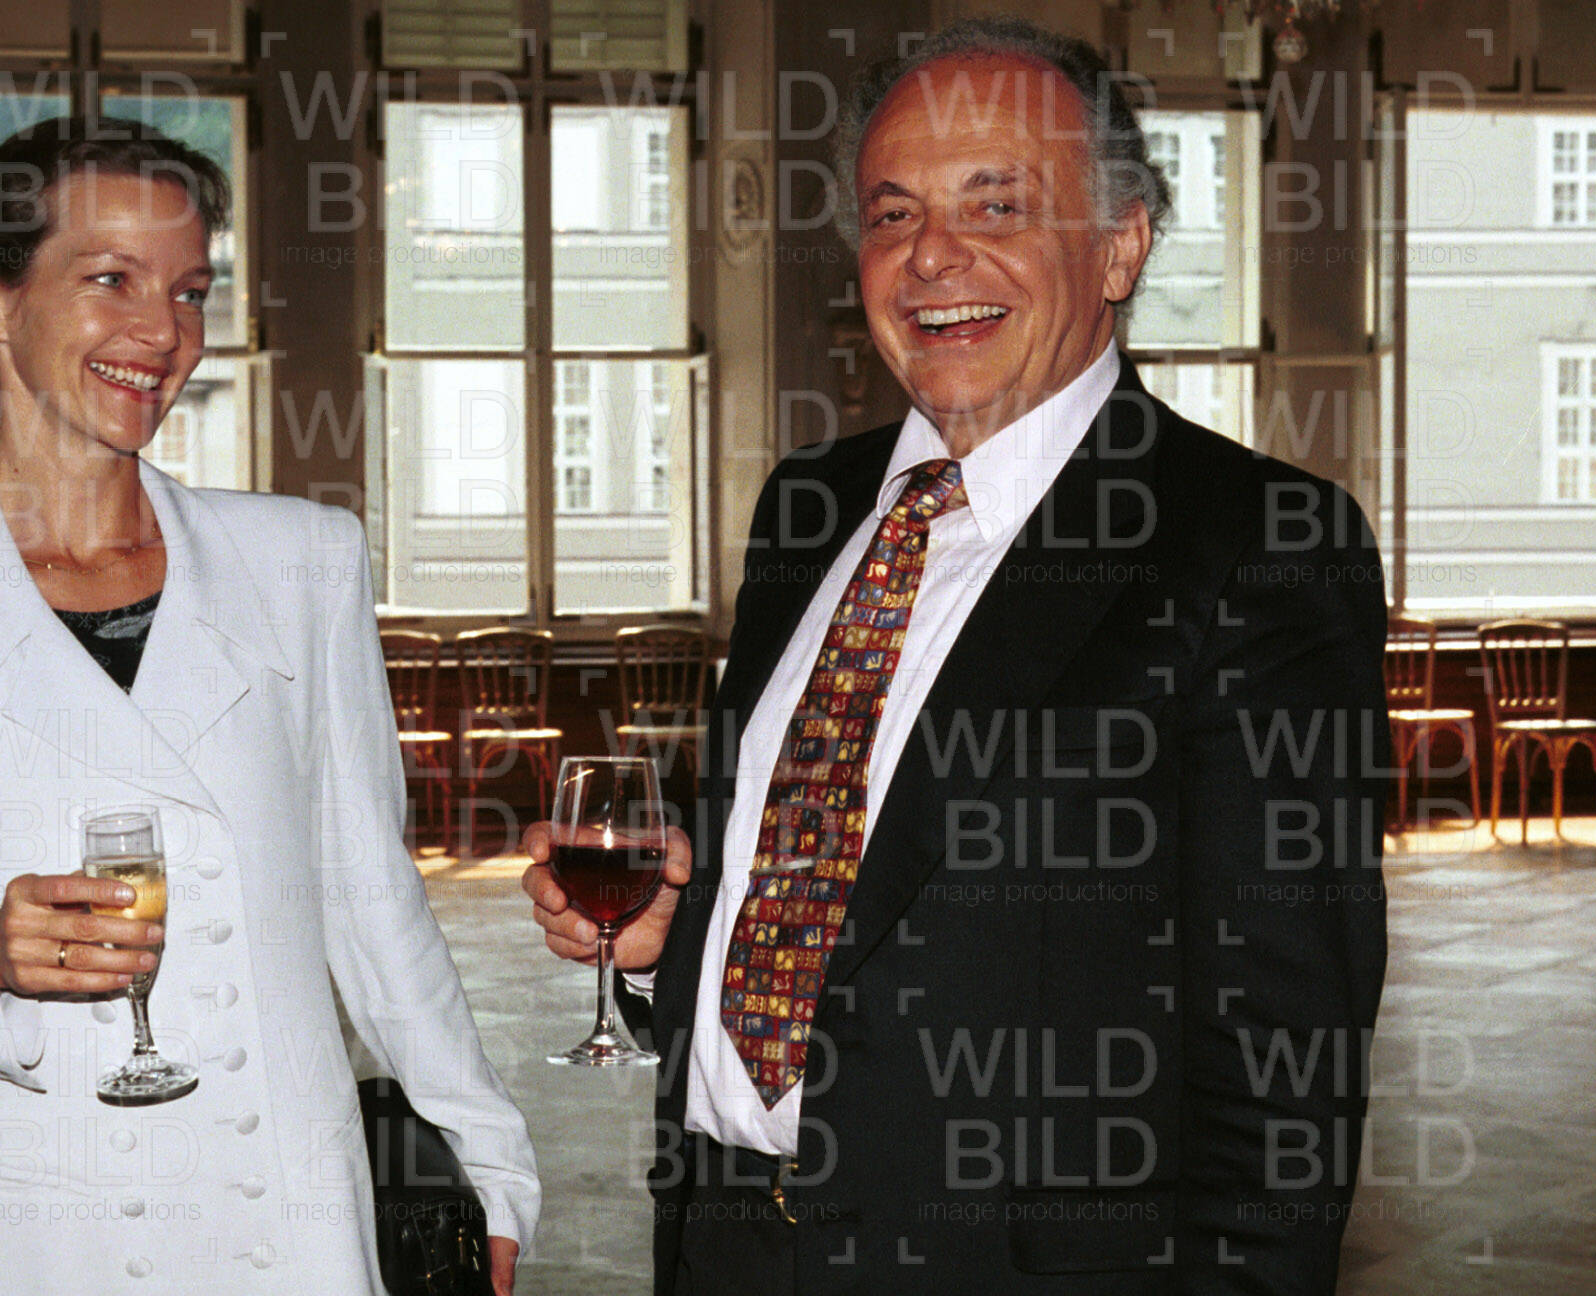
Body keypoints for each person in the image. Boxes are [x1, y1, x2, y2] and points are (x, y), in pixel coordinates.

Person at [523, 17, 1387, 1295]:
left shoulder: (1253, 543)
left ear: (1120, 244)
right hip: (726, 1246)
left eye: (996, 204)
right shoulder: (806, 510)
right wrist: (676, 941)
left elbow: (1280, 1069)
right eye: (892, 214)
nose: (931, 255)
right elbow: (838, 900)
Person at [0, 117, 538, 1294]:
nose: (163, 333)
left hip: (289, 1216)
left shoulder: (301, 562)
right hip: (35, 1237)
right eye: (111, 279)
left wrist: (488, 1154)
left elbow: (373, 901)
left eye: (190, 290)